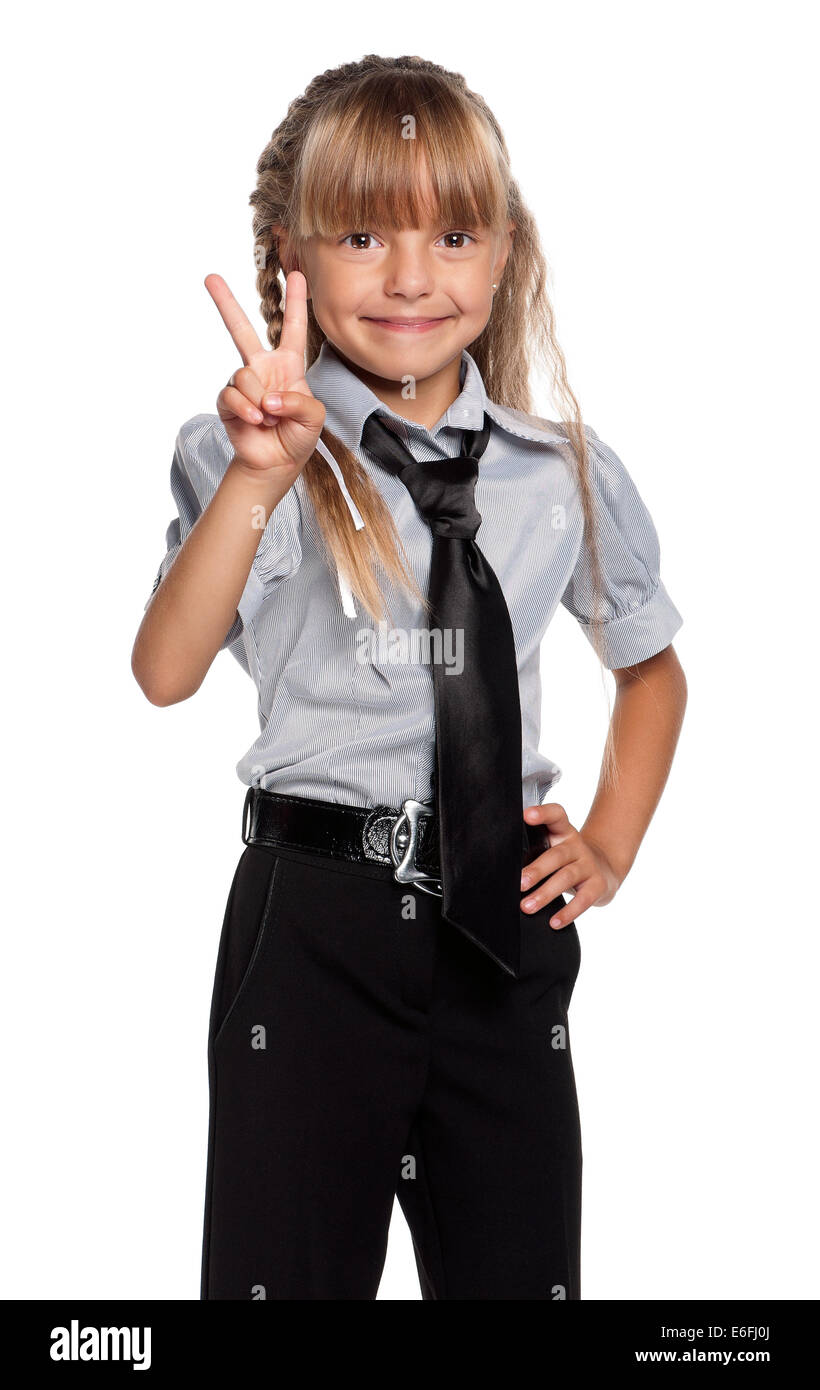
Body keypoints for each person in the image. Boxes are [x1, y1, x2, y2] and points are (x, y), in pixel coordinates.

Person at [132, 54, 687, 1301]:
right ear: (293, 261)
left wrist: (608, 841)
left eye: (451, 232)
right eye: (362, 234)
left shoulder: (563, 474)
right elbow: (165, 669)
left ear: (501, 255)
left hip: (502, 929)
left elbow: (651, 675)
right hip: (316, 918)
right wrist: (261, 475)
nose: (410, 277)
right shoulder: (249, 460)